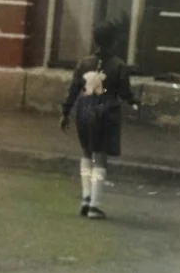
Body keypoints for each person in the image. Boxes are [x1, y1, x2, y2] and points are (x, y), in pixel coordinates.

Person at [59, 21, 140, 220]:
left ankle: (86, 198)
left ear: (95, 40)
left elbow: (73, 90)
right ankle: (94, 205)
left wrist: (65, 112)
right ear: (114, 41)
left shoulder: (83, 63)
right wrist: (135, 101)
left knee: (87, 152)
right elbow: (125, 93)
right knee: (100, 157)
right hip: (106, 112)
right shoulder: (119, 65)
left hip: (84, 110)